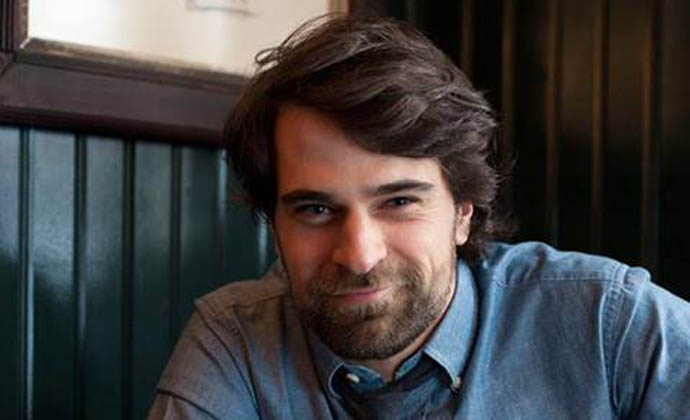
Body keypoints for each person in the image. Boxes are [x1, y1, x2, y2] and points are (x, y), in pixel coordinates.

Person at [148, 15, 690, 419]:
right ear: (275, 221)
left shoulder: (609, 322)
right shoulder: (236, 343)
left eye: (399, 202)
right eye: (316, 209)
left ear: (463, 211)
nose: (360, 255)